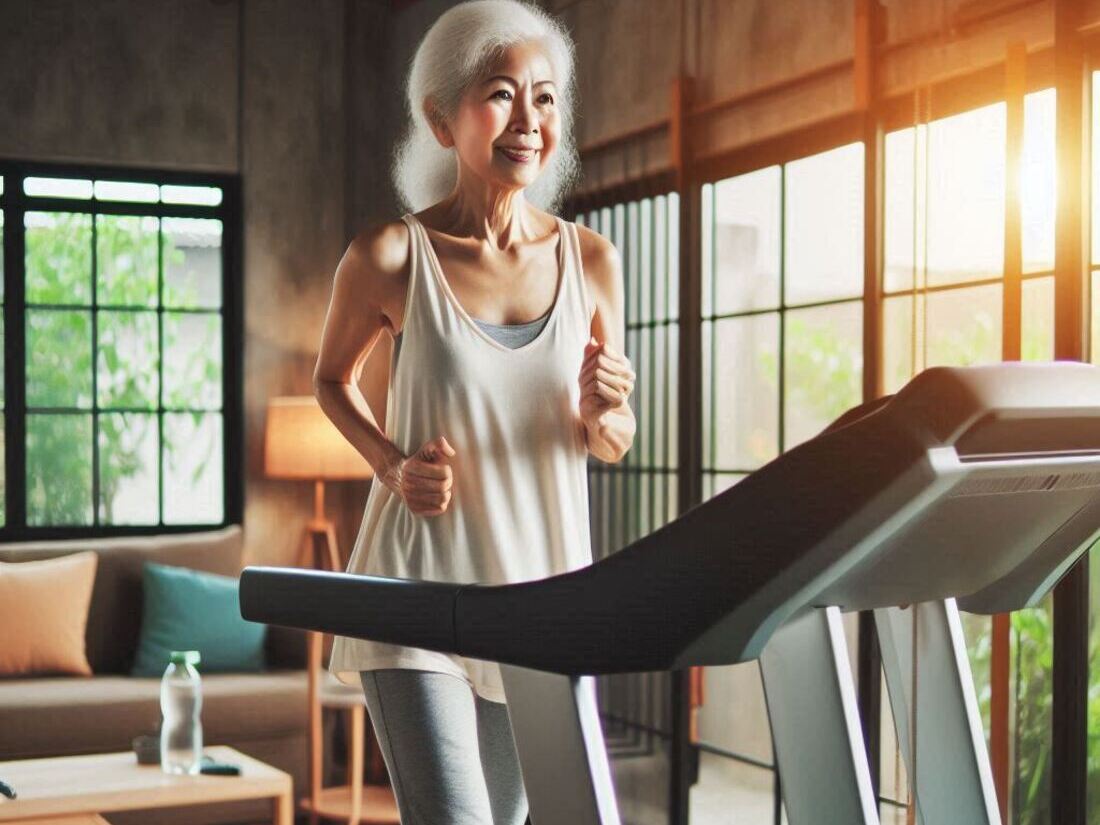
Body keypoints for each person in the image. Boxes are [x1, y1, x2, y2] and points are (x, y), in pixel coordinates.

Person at [312, 1, 636, 822]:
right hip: (413, 590)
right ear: (440, 118)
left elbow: (612, 440)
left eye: (546, 97)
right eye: (500, 93)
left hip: (538, 595)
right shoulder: (389, 256)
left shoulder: (592, 261)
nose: (529, 120)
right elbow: (330, 379)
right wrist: (391, 463)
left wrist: (608, 411)